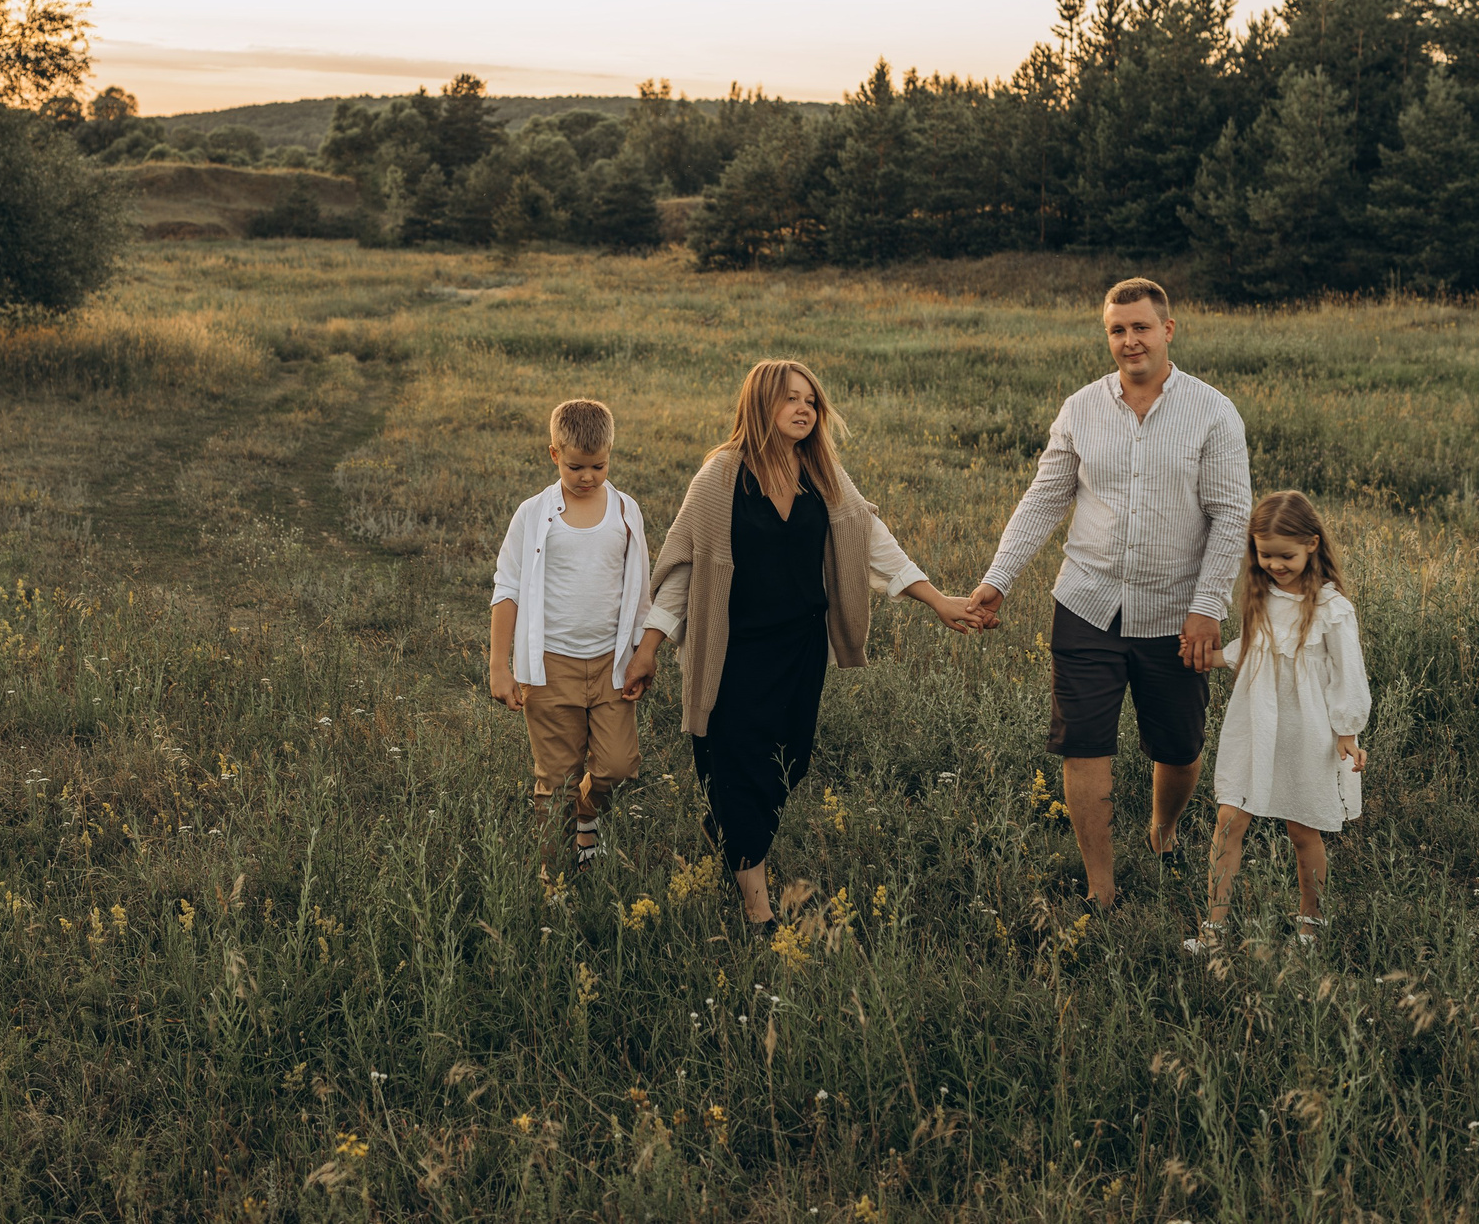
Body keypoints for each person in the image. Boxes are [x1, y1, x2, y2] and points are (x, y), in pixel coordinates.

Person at [631, 359, 981, 932]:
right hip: (732, 653)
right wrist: (649, 647)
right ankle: (758, 907)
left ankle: (730, 832)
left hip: (799, 649)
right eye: (790, 399)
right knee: (738, 763)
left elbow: (874, 542)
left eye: (811, 401)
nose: (803, 410)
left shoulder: (822, 472)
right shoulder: (721, 476)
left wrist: (938, 600)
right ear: (759, 405)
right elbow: (683, 569)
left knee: (785, 764)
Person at [968, 276, 1251, 910]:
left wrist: (1208, 607)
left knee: (1179, 747)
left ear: (1168, 330)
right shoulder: (1081, 409)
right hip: (1087, 604)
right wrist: (997, 579)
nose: (1129, 341)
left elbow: (1233, 513)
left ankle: (1164, 830)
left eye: (1141, 327)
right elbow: (1043, 501)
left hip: (1177, 613)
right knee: (1083, 742)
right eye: (1117, 330)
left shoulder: (1212, 411)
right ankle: (1101, 889)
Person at [1189, 490, 1370, 952]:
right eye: (1265, 554)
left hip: (1308, 726)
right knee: (1229, 816)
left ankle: (1312, 926)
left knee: (1302, 827)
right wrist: (1215, 658)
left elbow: (1349, 673)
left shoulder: (1332, 608)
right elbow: (1253, 648)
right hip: (1256, 720)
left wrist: (1348, 731)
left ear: (1312, 544)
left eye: (1285, 555)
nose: (1275, 564)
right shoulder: (1259, 594)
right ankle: (1213, 931)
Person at [488, 398, 653, 867]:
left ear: (611, 454)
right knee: (556, 776)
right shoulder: (534, 514)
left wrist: (642, 652)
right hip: (549, 664)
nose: (588, 477)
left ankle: (588, 814)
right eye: (576, 466)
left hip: (611, 662)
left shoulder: (625, 512)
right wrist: (499, 667)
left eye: (599, 466)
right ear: (554, 454)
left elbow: (639, 584)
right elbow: (508, 588)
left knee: (617, 766)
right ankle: (553, 877)